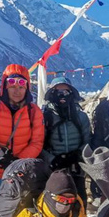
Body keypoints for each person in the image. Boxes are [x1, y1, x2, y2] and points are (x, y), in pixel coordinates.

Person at [0, 64, 44, 204]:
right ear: (5, 87)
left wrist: (18, 161)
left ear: (27, 89)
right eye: (12, 86)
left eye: (21, 87)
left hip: (21, 173)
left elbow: (37, 142)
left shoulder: (33, 111)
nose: (17, 91)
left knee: (19, 214)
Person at [41, 76, 91, 205]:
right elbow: (38, 143)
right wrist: (52, 160)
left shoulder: (81, 117)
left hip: (76, 167)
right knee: (55, 204)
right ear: (51, 94)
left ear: (71, 94)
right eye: (58, 92)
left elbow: (88, 139)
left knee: (79, 202)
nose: (62, 95)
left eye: (66, 92)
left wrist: (78, 155)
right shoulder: (44, 117)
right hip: (53, 168)